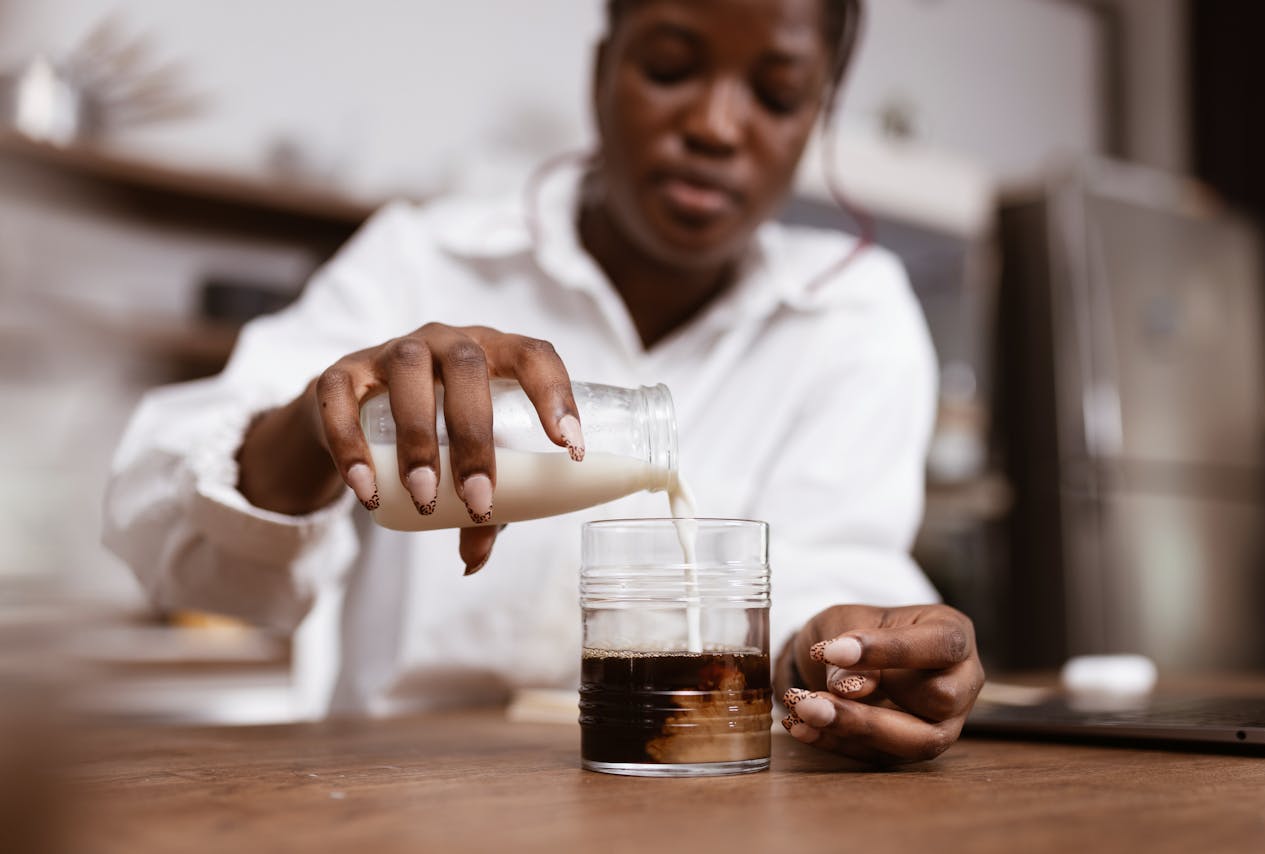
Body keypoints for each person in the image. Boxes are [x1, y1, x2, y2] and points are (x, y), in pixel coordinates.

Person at [105, 0, 984, 764]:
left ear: (817, 117)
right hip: (398, 800)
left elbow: (815, 583)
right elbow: (167, 538)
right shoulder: (422, 259)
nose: (718, 124)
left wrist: (853, 657)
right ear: (604, 69)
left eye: (777, 95)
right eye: (672, 68)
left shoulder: (851, 316)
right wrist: (312, 426)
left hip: (692, 803)